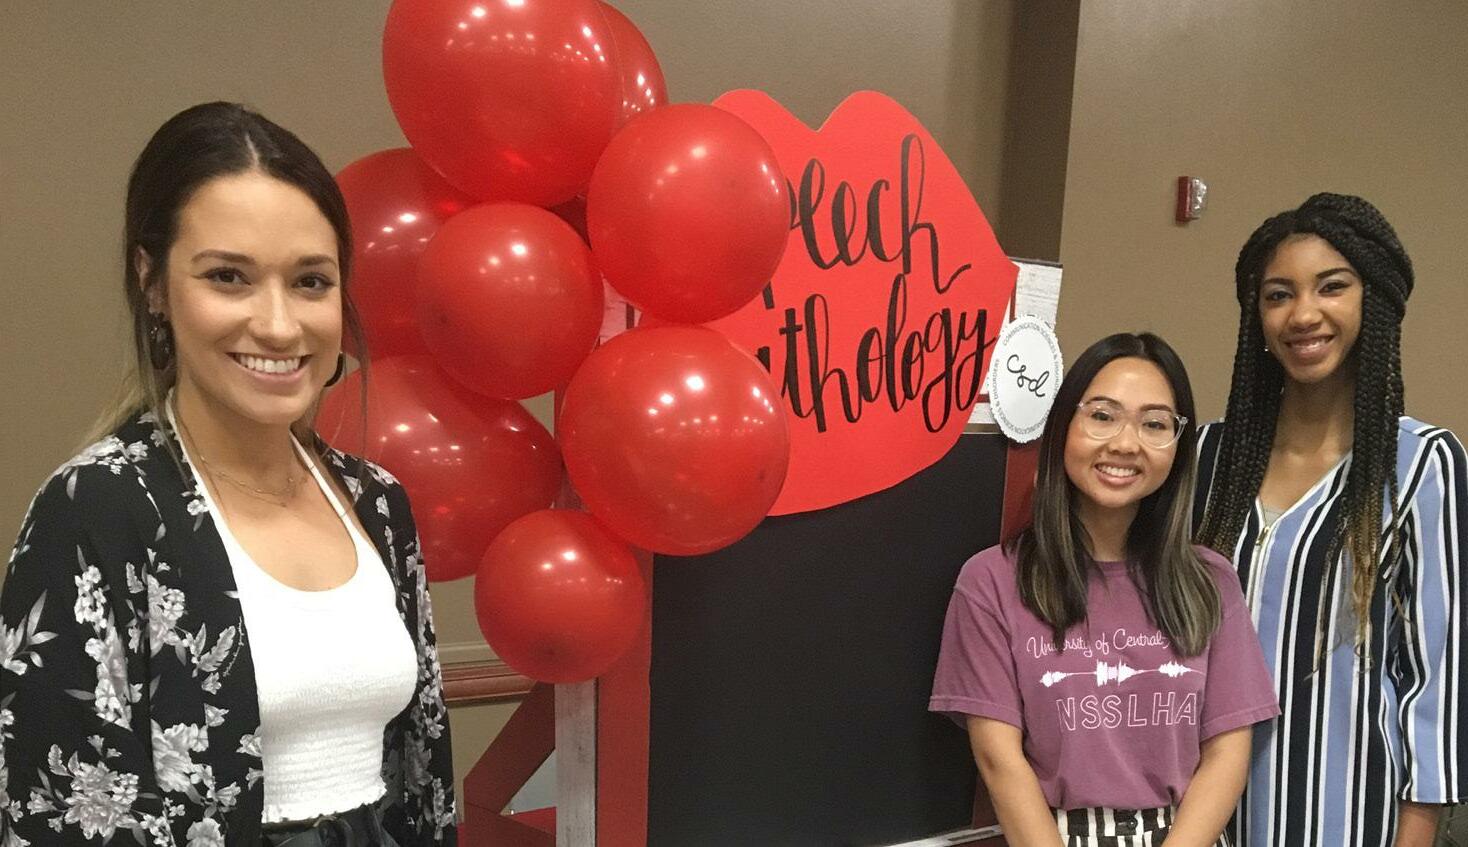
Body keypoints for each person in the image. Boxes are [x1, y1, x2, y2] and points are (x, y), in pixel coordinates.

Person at [0, 102, 455, 846]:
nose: (278, 325)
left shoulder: (374, 501)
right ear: (153, 283)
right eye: (228, 277)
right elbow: (63, 810)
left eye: (311, 281)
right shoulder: (98, 508)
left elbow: (423, 776)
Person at [932, 332, 1279, 846]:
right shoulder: (992, 582)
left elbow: (1228, 751)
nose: (1125, 444)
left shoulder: (1210, 580)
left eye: (1155, 424)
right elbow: (998, 760)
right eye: (1101, 415)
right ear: (1062, 427)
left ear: (1177, 446)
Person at [1194, 193, 1465, 847]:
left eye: (1332, 287)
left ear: (1374, 300)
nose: (1303, 314)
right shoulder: (1208, 458)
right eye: (1278, 295)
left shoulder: (1421, 464)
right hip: (1200, 819)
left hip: (1347, 817)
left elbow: (1438, 680)